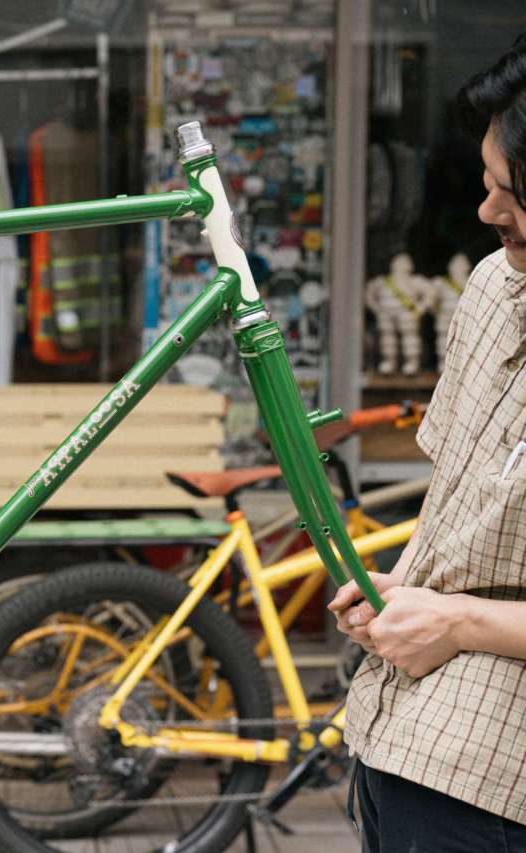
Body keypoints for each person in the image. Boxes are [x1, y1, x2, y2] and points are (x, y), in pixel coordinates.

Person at [329, 37, 526, 853]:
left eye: (511, 193)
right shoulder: (491, 286)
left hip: (497, 782)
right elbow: (450, 492)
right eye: (487, 183)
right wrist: (400, 588)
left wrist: (459, 620)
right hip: (395, 738)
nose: (488, 212)